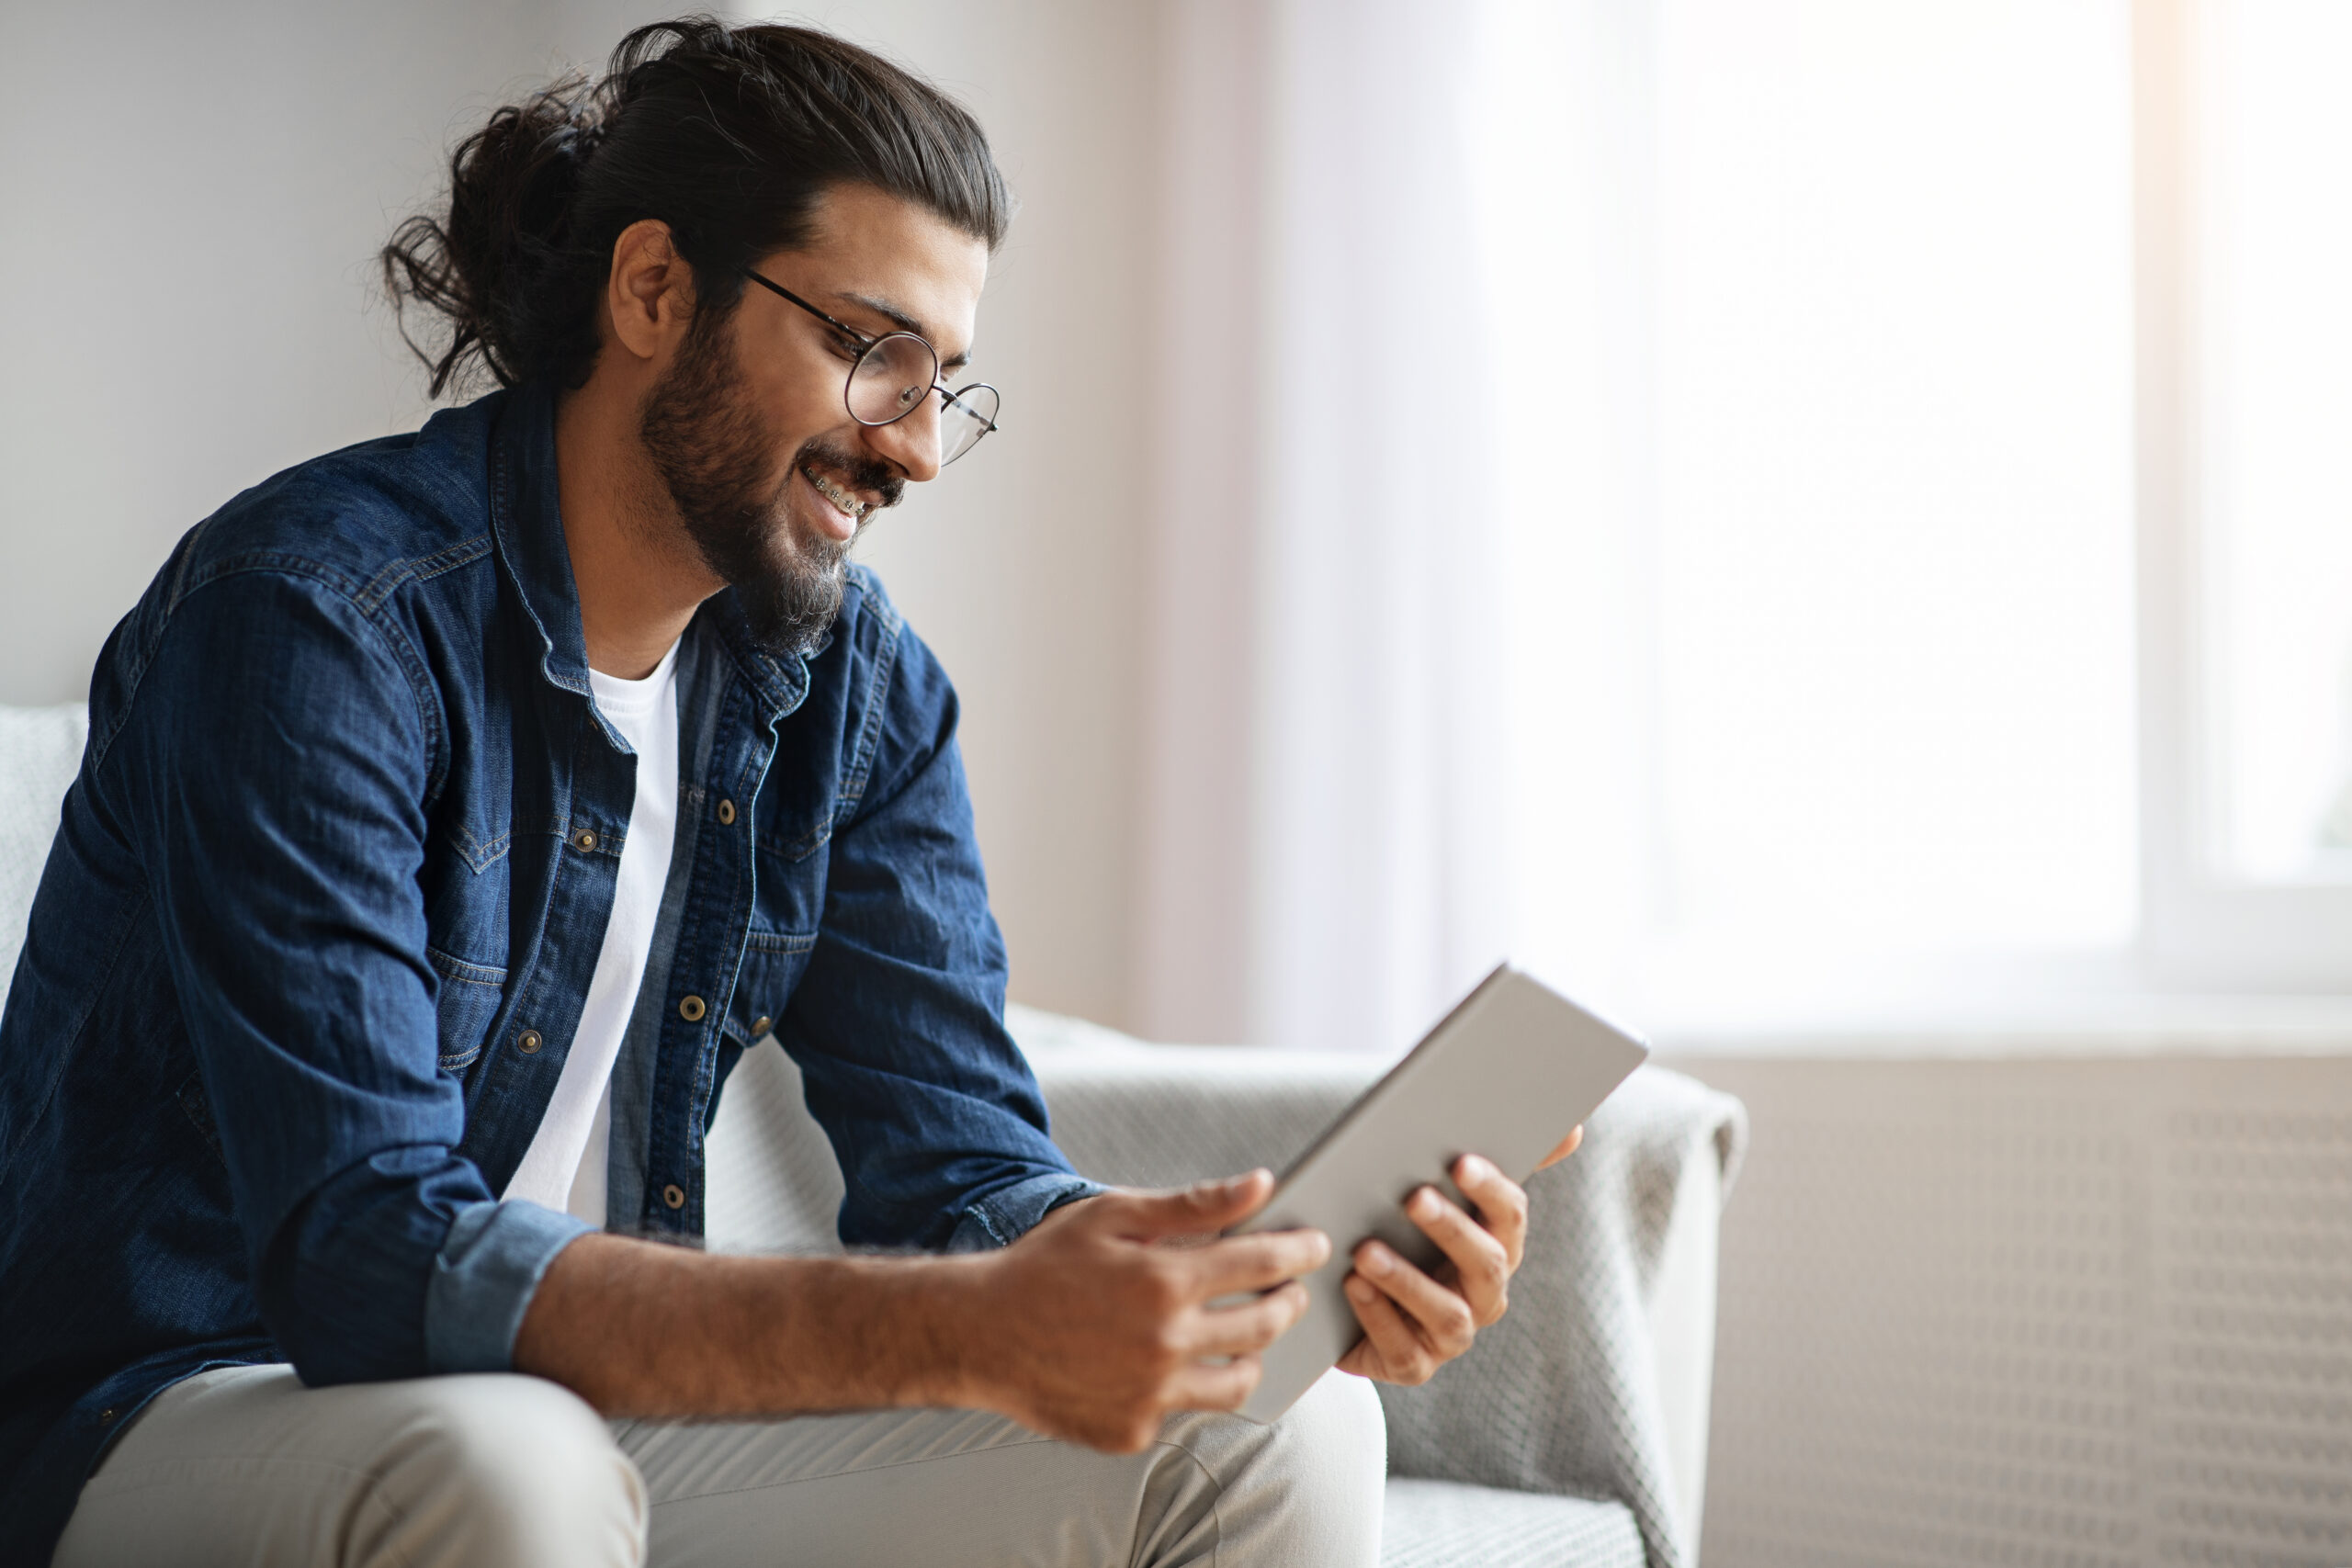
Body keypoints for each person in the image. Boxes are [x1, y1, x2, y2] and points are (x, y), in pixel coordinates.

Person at [0, 19, 1577, 1566]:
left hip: (587, 1419)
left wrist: (1204, 1287)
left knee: (1277, 1425)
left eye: (945, 381)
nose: (917, 450)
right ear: (653, 287)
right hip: (180, 1403)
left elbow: (958, 1176)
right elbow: (362, 1257)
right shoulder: (313, 621)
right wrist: (971, 1333)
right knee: (512, 1463)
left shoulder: (854, 690)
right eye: (869, 349)